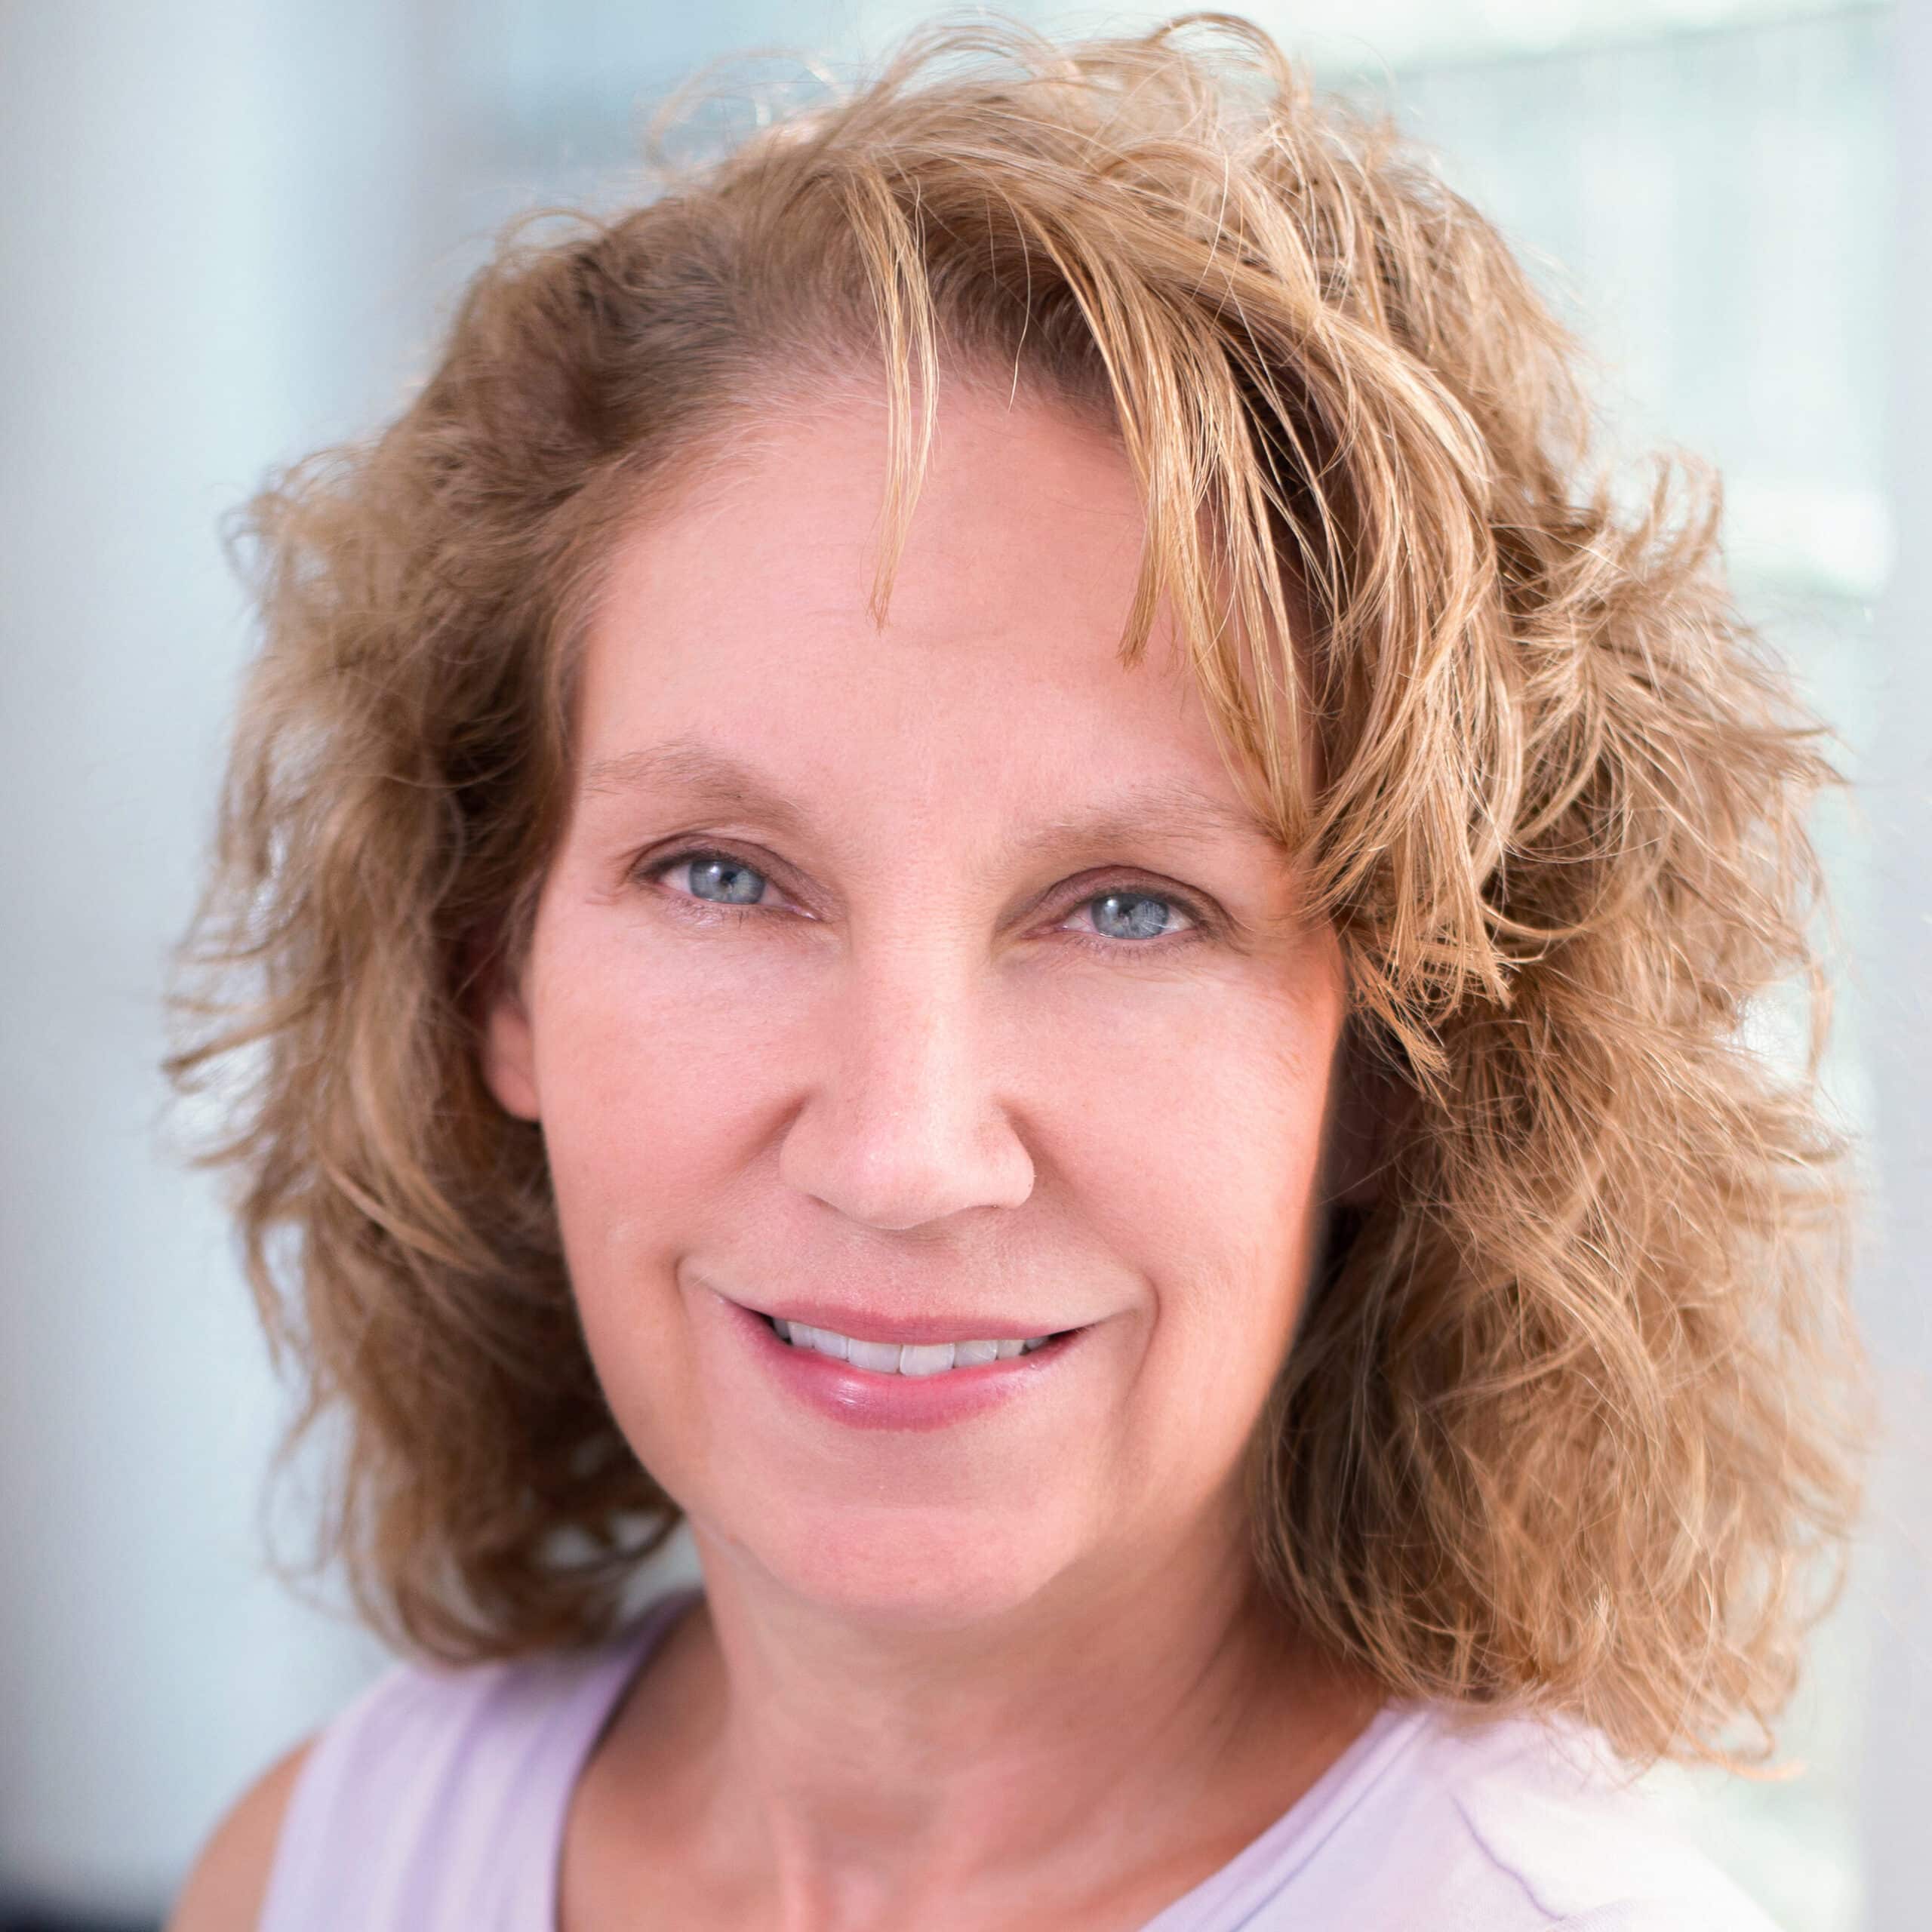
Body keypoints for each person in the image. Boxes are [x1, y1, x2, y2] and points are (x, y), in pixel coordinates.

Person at [160, 13, 1868, 1930]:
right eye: (721, 874)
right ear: (496, 972)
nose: (903, 1150)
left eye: (1130, 905)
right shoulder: (320, 1862)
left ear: (1393, 1057)